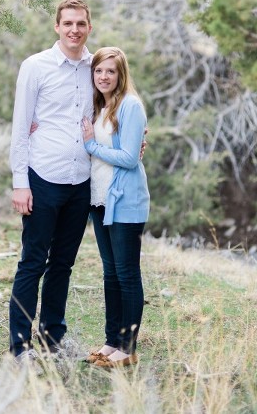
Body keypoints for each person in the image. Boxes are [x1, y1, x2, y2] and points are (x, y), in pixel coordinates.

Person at [8, 0, 94, 360]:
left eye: (81, 23)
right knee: (33, 261)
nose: (74, 29)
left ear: (89, 26)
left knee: (63, 263)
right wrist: (20, 181)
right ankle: (20, 347)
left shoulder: (97, 65)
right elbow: (21, 126)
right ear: (57, 27)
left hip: (81, 180)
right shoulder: (36, 67)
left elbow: (113, 108)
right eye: (68, 23)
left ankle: (52, 339)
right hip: (43, 177)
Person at [81, 47, 149, 368]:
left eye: (111, 71)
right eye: (99, 71)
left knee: (127, 274)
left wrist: (92, 144)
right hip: (99, 201)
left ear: (121, 75)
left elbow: (129, 157)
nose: (104, 77)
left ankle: (128, 348)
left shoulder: (130, 106)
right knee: (110, 274)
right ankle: (112, 342)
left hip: (126, 202)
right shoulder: (101, 106)